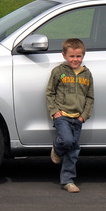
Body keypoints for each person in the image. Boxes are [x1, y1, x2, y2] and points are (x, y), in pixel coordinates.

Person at [45, 37, 93, 193]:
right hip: (62, 116)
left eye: (78, 56)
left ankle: (68, 181)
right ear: (64, 55)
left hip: (77, 118)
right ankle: (57, 147)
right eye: (72, 56)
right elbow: (50, 93)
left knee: (73, 150)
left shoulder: (87, 74)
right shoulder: (59, 72)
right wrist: (54, 112)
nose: (75, 59)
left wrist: (83, 116)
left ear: (83, 55)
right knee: (67, 141)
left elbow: (90, 98)